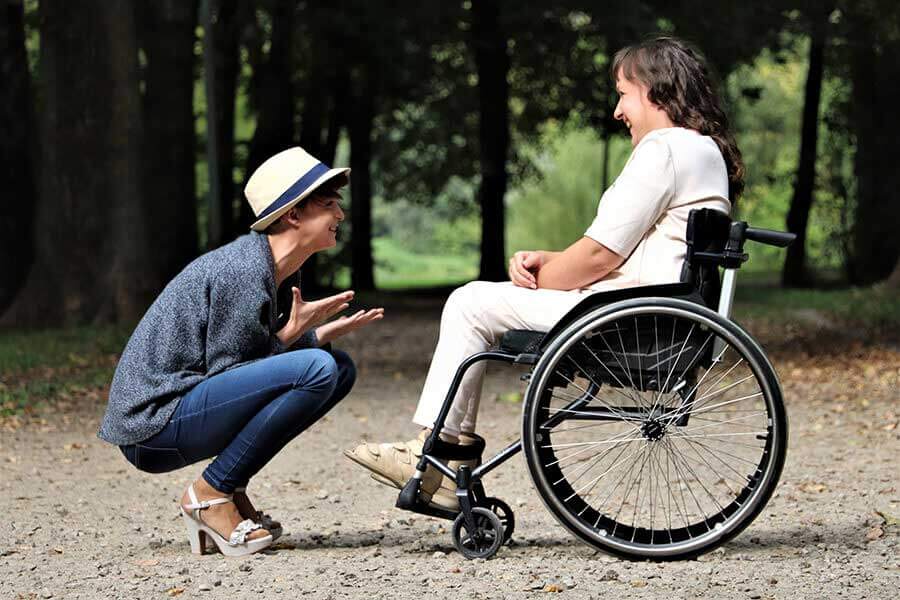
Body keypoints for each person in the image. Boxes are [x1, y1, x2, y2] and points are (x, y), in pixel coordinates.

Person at [345, 36, 743, 510]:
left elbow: (599, 258)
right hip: (656, 310)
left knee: (471, 303)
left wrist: (539, 278)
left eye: (622, 94)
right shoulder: (703, 151)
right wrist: (549, 260)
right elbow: (628, 251)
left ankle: (437, 458)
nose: (618, 112)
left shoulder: (666, 149)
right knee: (480, 301)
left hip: (630, 318)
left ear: (655, 89)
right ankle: (443, 455)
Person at [98, 147, 383, 556]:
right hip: (152, 424)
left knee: (338, 368)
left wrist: (313, 336)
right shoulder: (243, 271)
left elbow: (249, 368)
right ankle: (209, 494)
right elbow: (232, 372)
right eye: (328, 205)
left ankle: (226, 487)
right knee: (320, 368)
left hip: (186, 408)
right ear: (293, 215)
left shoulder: (275, 269)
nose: (340, 215)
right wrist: (294, 336)